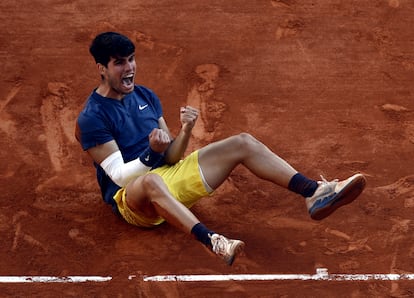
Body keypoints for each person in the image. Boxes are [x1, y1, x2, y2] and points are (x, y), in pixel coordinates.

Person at [76, 32, 366, 266]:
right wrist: (151, 153)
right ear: (101, 68)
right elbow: (121, 177)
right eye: (119, 63)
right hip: (134, 202)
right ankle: (213, 240)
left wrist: (185, 130)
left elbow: (172, 158)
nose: (129, 69)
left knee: (243, 142)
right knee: (151, 180)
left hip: (167, 178)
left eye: (131, 59)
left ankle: (313, 192)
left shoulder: (145, 96)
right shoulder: (92, 118)